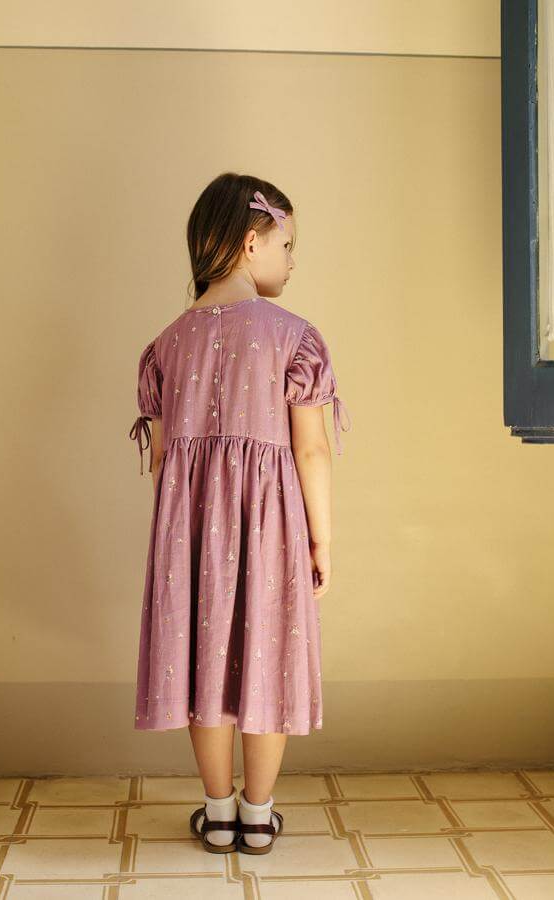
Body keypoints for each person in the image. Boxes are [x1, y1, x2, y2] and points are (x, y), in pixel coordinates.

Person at [129, 172, 351, 855]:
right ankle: (258, 816)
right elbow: (311, 449)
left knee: (205, 668)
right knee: (268, 662)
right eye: (287, 245)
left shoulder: (166, 344)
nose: (292, 259)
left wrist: (185, 536)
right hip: (271, 530)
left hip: (191, 536)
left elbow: (164, 463)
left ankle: (218, 811)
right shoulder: (294, 337)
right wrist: (321, 540)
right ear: (251, 243)